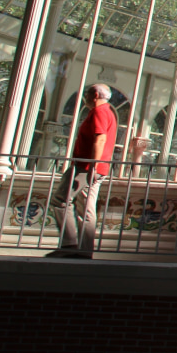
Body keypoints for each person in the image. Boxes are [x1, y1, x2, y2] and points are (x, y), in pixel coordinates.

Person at [47, 84, 117, 258]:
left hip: (86, 167)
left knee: (60, 200)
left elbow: (100, 140)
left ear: (94, 95)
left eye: (86, 94)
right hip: (95, 167)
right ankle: (84, 250)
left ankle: (70, 244)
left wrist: (92, 166)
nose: (85, 97)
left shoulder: (100, 112)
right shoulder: (108, 112)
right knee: (86, 208)